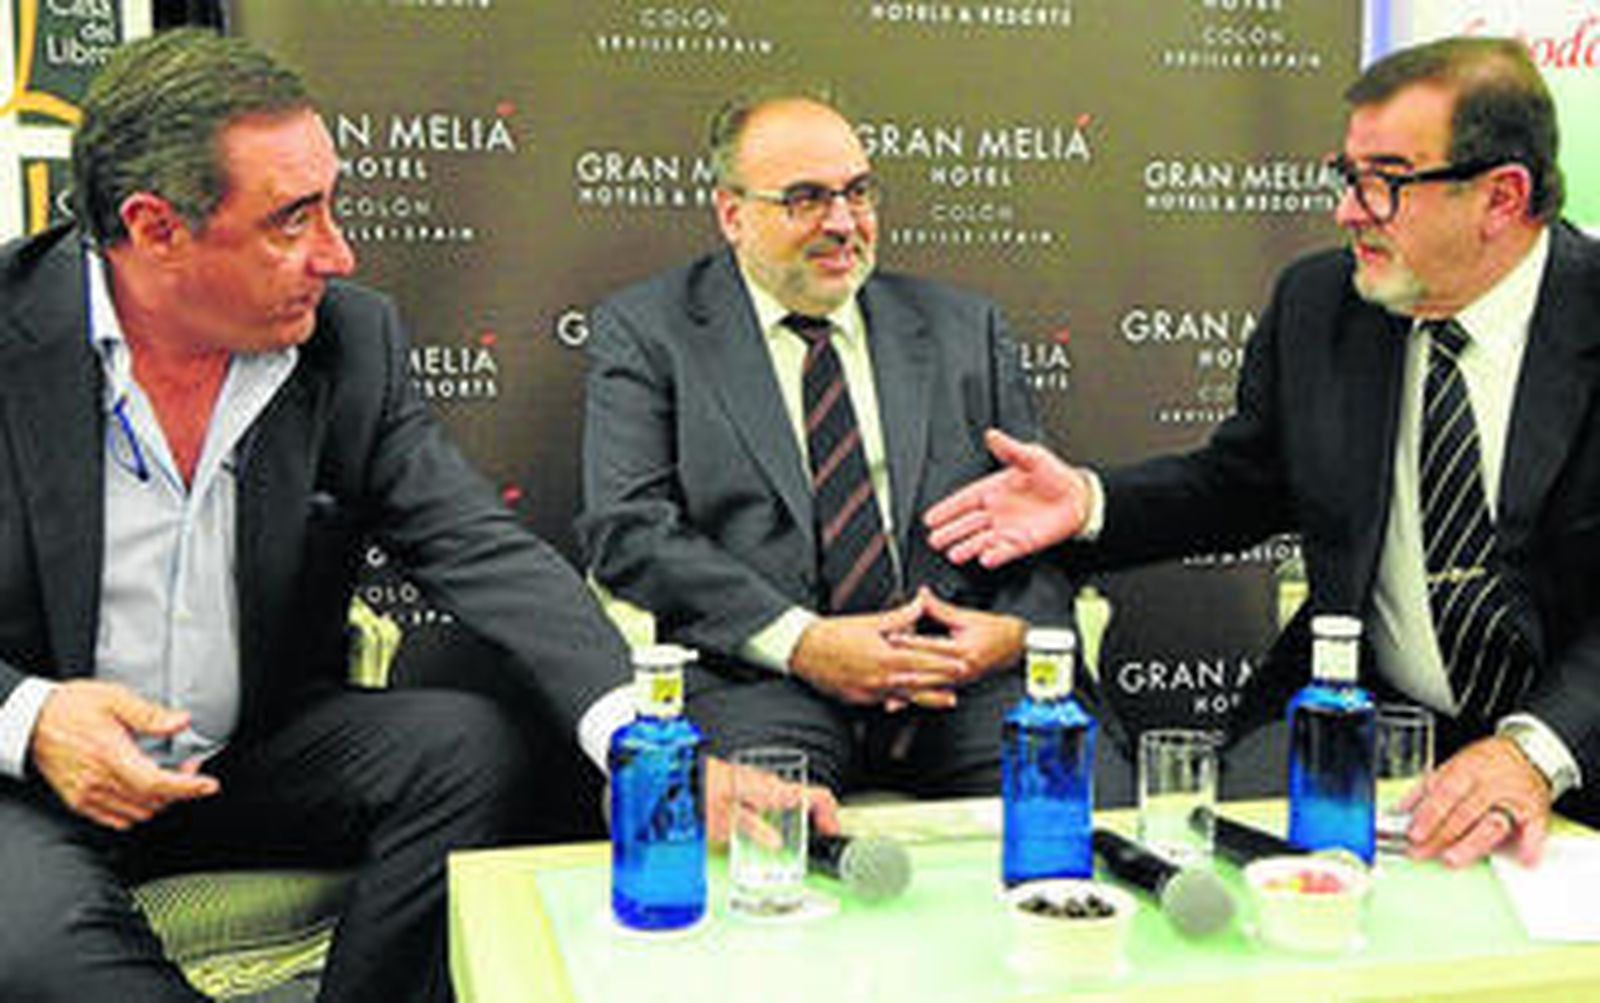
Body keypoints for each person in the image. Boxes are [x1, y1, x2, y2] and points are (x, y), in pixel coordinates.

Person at [0, 29, 810, 1002]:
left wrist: (644, 748)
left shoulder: (348, 342)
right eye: (292, 221)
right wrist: (31, 716)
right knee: (40, 949)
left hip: (243, 754)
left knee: (471, 747)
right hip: (27, 784)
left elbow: (477, 544)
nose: (336, 254)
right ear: (156, 228)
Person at [926, 36, 1600, 869]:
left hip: (1572, 734)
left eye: (1384, 181)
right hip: (1353, 712)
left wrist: (1532, 750)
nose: (1348, 210)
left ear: (1502, 197)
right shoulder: (1322, 303)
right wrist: (1091, 503)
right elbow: (1244, 485)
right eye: (1345, 176)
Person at [579, 92, 1127, 802]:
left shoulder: (966, 329)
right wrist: (804, 642)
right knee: (757, 856)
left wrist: (1013, 633)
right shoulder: (652, 330)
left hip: (959, 676)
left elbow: (1037, 521)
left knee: (1087, 823)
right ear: (732, 213)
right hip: (765, 680)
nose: (843, 223)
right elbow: (629, 530)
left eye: (858, 192)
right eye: (806, 199)